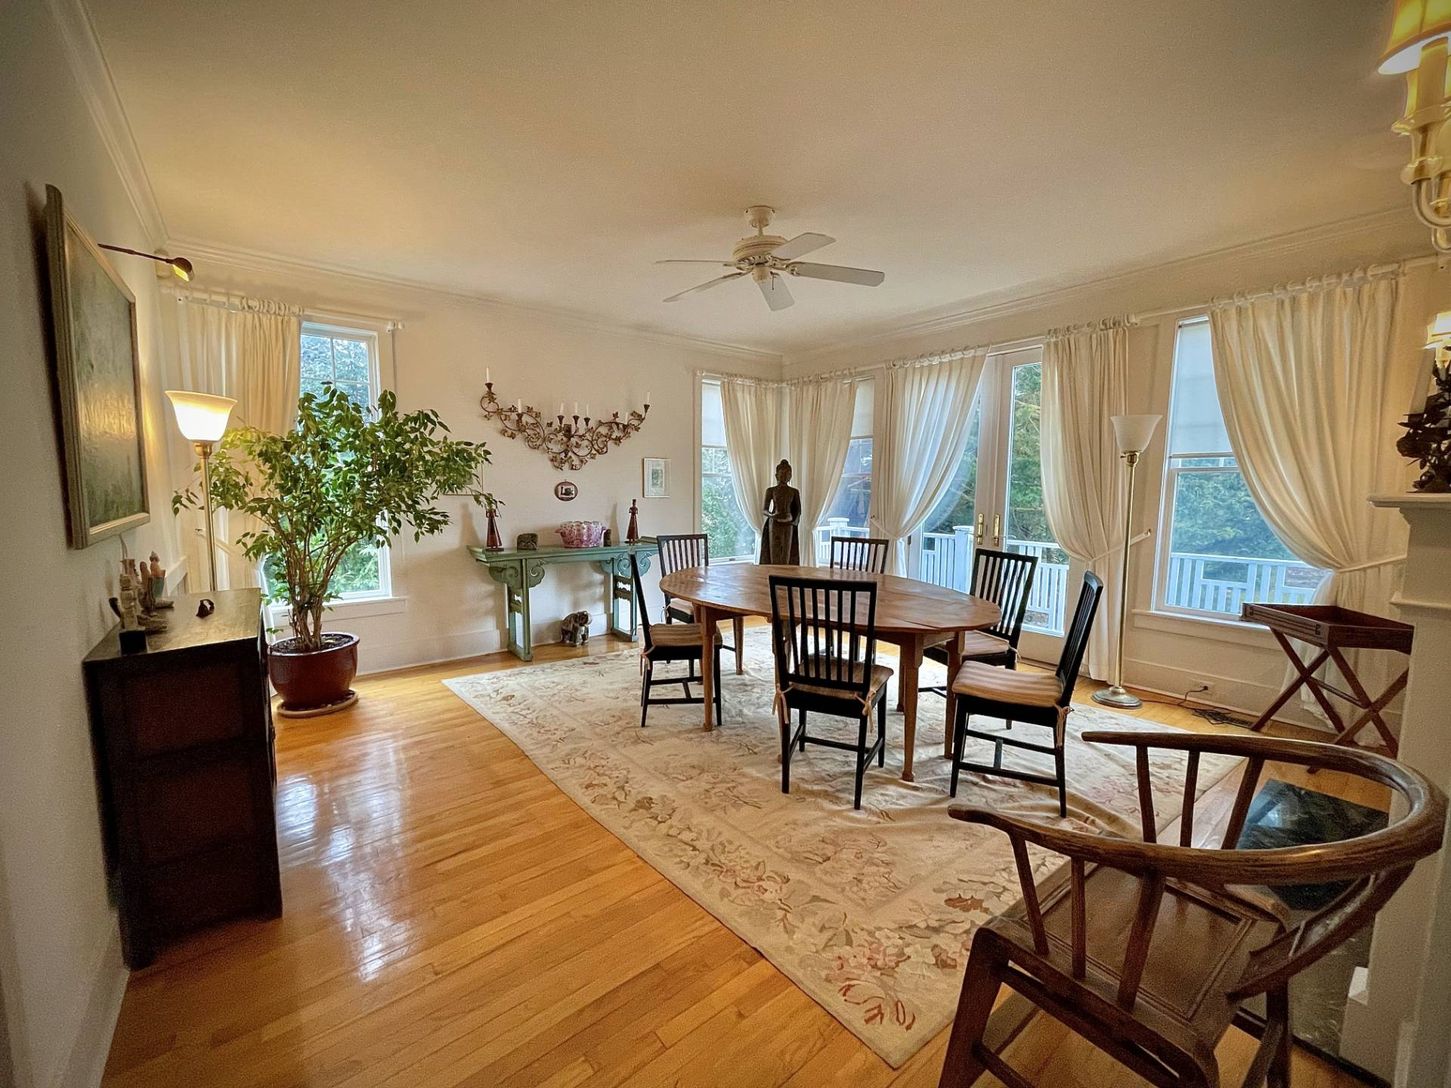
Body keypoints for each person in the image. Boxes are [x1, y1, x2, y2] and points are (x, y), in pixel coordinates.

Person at [759, 459, 801, 565]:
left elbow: (798, 510)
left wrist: (793, 521)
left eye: (788, 474)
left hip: (789, 524)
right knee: (775, 553)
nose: (785, 476)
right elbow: (764, 509)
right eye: (782, 473)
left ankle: (786, 577)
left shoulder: (794, 492)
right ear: (776, 475)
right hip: (775, 523)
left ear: (790, 476)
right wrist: (772, 515)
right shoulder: (771, 490)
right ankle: (774, 576)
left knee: (787, 553)